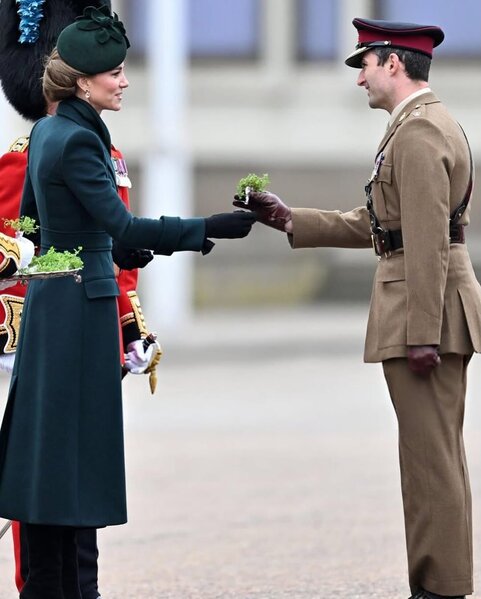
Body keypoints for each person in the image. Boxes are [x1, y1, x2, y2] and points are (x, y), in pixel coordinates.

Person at [0, 5, 256, 599]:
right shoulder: (77, 141)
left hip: (51, 311)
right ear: (84, 81)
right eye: (114, 72)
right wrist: (204, 227)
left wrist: (101, 255)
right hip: (80, 322)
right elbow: (123, 226)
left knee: (50, 467)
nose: (124, 81)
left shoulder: (47, 133)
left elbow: (40, 234)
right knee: (74, 469)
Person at [236, 17, 479, 599]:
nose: (359, 78)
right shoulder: (420, 125)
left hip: (427, 314)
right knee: (432, 457)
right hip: (432, 308)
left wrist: (421, 332)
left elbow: (424, 239)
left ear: (393, 63)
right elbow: (385, 226)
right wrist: (294, 220)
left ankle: (440, 587)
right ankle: (440, 581)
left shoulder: (419, 133)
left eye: (364, 64)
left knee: (431, 462)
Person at [0, 2, 161, 597]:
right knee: (46, 481)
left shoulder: (104, 149)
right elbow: (19, 244)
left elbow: (112, 249)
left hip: (90, 324)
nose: (121, 80)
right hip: (44, 328)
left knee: (80, 481)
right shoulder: (29, 151)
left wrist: (128, 324)